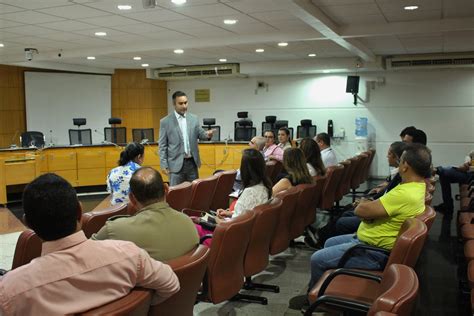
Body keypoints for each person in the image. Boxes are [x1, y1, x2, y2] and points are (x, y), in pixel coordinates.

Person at [0, 173, 179, 315]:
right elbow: (171, 284)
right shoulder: (129, 254)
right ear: (80, 211)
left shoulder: (11, 291)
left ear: (27, 223)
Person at [307, 143, 431, 291]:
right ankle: (326, 287)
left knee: (317, 259)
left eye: (401, 161)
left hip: (374, 252)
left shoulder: (404, 194)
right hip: (370, 241)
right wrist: (369, 208)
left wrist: (366, 206)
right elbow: (374, 208)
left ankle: (315, 299)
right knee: (329, 242)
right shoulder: (415, 187)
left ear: (405, 166)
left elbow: (361, 210)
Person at [93, 167, 199, 261]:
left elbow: (85, 254)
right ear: (166, 190)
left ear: (132, 199)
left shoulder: (114, 230)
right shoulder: (188, 222)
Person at [195, 148, 272, 246]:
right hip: (245, 236)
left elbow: (234, 226)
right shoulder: (265, 187)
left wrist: (217, 220)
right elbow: (246, 213)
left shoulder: (250, 192)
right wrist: (229, 213)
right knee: (202, 219)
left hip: (231, 239)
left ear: (246, 169)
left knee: (195, 224)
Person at [159, 91, 213, 186]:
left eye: (186, 102)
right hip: (175, 165)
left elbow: (201, 134)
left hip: (192, 163)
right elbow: (162, 145)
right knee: (176, 194)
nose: (184, 106)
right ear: (174, 104)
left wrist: (207, 135)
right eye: (180, 103)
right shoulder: (165, 122)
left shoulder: (194, 118)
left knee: (194, 192)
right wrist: (164, 164)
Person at [434, 150, 474, 217]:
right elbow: (469, 155)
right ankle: (447, 205)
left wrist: (468, 168)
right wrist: (467, 162)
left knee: (445, 173)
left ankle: (436, 170)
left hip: (471, 175)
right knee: (444, 175)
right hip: (468, 171)